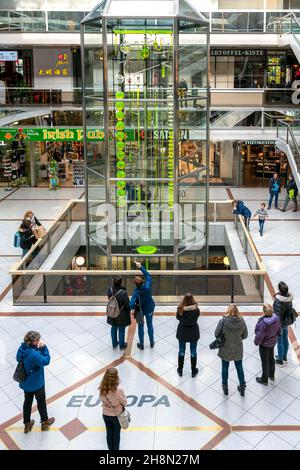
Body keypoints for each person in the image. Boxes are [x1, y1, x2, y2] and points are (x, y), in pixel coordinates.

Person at [16, 331, 55, 433]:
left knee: (27, 402)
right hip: (37, 384)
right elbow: (45, 360)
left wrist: (37, 349)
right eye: (37, 340)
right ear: (32, 341)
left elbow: (20, 358)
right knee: (41, 402)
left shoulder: (22, 349)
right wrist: (44, 348)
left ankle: (27, 424)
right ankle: (45, 423)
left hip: (26, 383)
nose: (39, 341)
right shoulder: (34, 355)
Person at [214, 304, 248, 396]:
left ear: (228, 311)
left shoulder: (223, 321)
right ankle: (242, 386)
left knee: (225, 367)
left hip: (225, 348)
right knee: (239, 367)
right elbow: (245, 335)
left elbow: (216, 334)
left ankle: (225, 387)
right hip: (237, 348)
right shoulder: (241, 321)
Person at [99, 368, 127, 451]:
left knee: (109, 434)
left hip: (105, 414)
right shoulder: (119, 390)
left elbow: (101, 399)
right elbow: (125, 403)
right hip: (116, 416)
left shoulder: (102, 388)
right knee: (116, 436)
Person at [129, 261, 155, 350]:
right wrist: (140, 267)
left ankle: (142, 344)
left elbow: (131, 305)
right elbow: (148, 275)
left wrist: (134, 306)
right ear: (142, 281)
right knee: (150, 325)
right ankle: (151, 342)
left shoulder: (136, 293)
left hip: (140, 311)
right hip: (150, 308)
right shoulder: (147, 285)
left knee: (140, 326)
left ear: (135, 284)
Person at [254, 304, 281, 385]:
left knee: (264, 361)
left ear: (264, 312)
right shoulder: (277, 318)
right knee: (271, 358)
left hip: (264, 345)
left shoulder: (263, 323)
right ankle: (271, 375)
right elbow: (279, 329)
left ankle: (264, 380)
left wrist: (256, 342)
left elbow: (259, 336)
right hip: (272, 342)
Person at [176, 293, 200, 378]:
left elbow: (177, 318)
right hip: (193, 332)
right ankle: (193, 371)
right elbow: (197, 316)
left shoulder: (180, 309)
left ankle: (180, 370)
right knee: (193, 351)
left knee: (181, 350)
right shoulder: (196, 309)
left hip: (182, 332)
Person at [107, 276, 131, 350]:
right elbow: (127, 305)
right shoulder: (123, 292)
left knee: (113, 327)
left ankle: (114, 343)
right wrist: (130, 309)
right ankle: (122, 345)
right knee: (121, 329)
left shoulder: (109, 290)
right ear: (121, 283)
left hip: (112, 312)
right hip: (121, 314)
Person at [273, 281, 293, 366]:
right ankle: (284, 357)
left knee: (279, 341)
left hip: (279, 324)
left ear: (280, 291)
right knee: (285, 339)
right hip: (286, 322)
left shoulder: (278, 301)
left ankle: (280, 360)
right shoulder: (289, 298)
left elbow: (276, 314)